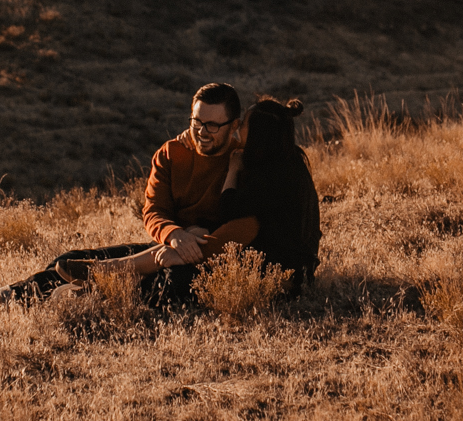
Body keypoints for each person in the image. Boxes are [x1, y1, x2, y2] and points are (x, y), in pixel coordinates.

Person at [0, 82, 257, 317]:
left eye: (213, 125)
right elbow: (153, 210)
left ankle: (70, 305)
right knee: (71, 260)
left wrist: (194, 240)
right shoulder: (171, 153)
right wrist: (174, 234)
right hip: (167, 246)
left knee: (155, 285)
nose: (202, 131)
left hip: (203, 259)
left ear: (234, 125)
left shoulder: (246, 161)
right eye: (197, 121)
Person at [70, 95, 320, 298]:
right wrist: (193, 135)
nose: (238, 129)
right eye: (197, 123)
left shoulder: (267, 174)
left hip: (279, 275)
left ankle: (104, 282)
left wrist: (232, 170)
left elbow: (235, 217)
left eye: (242, 124)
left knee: (178, 273)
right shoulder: (287, 162)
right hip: (278, 263)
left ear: (257, 133)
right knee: (184, 244)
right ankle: (103, 272)